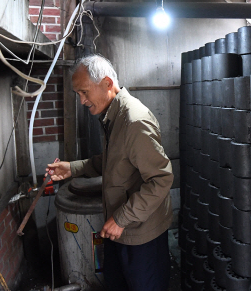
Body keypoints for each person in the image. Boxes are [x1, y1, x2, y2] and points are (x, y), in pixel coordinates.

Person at [46, 55, 174, 291]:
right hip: (120, 230)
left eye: (84, 92)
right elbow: (114, 162)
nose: (82, 101)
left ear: (106, 83)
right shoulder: (112, 117)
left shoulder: (134, 121)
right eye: (78, 94)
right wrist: (72, 168)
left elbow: (161, 180)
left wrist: (122, 218)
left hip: (140, 235)